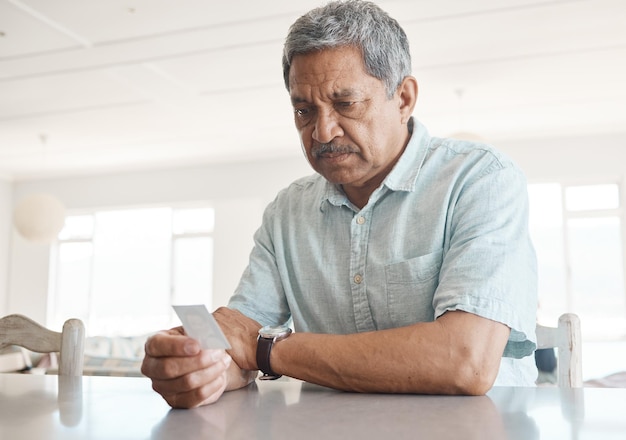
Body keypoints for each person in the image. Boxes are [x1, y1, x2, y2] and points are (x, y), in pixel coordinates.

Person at [142, 0, 538, 409]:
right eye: (303, 110)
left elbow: (464, 362)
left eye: (346, 104)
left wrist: (265, 350)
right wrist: (198, 367)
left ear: (403, 98)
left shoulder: (481, 179)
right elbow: (238, 335)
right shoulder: (286, 213)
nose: (322, 131)